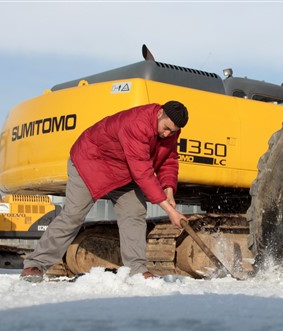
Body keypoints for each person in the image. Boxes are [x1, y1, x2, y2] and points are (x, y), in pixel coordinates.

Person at [20, 101, 189, 282]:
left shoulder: (170, 131)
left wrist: (169, 190)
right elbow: (143, 173)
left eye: (172, 131)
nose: (167, 134)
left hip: (124, 172)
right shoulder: (137, 123)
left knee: (134, 213)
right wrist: (170, 211)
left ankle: (137, 270)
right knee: (73, 215)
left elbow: (168, 161)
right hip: (92, 163)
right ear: (159, 113)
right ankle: (35, 264)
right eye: (166, 128)